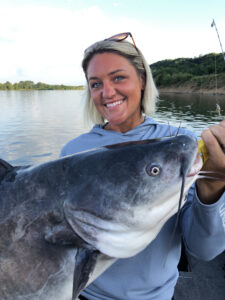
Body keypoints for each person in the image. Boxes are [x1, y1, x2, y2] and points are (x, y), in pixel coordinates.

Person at [60, 33, 225, 300]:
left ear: (142, 79)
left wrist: (213, 186)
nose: (107, 92)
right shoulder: (72, 152)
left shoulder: (178, 144)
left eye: (118, 77)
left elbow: (204, 249)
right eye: (95, 84)